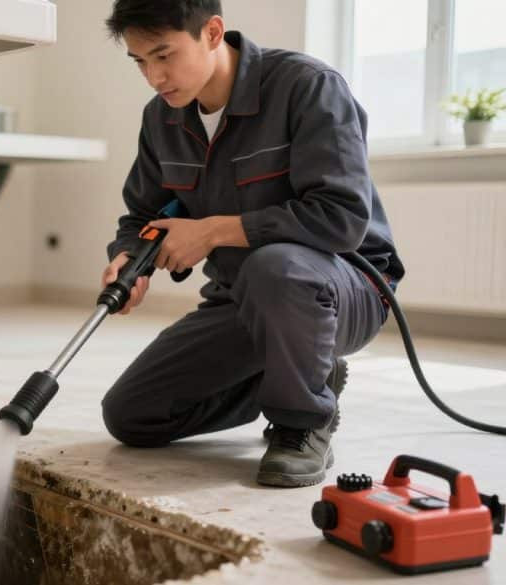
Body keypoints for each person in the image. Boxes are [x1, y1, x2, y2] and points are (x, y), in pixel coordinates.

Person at [99, 0, 405, 487]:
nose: (154, 77)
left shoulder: (306, 87)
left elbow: (341, 218)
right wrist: (128, 259)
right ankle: (305, 369)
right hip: (241, 297)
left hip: (344, 290)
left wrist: (214, 231)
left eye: (164, 55)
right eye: (140, 61)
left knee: (277, 268)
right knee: (132, 415)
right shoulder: (162, 120)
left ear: (213, 32)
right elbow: (142, 213)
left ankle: (303, 421)